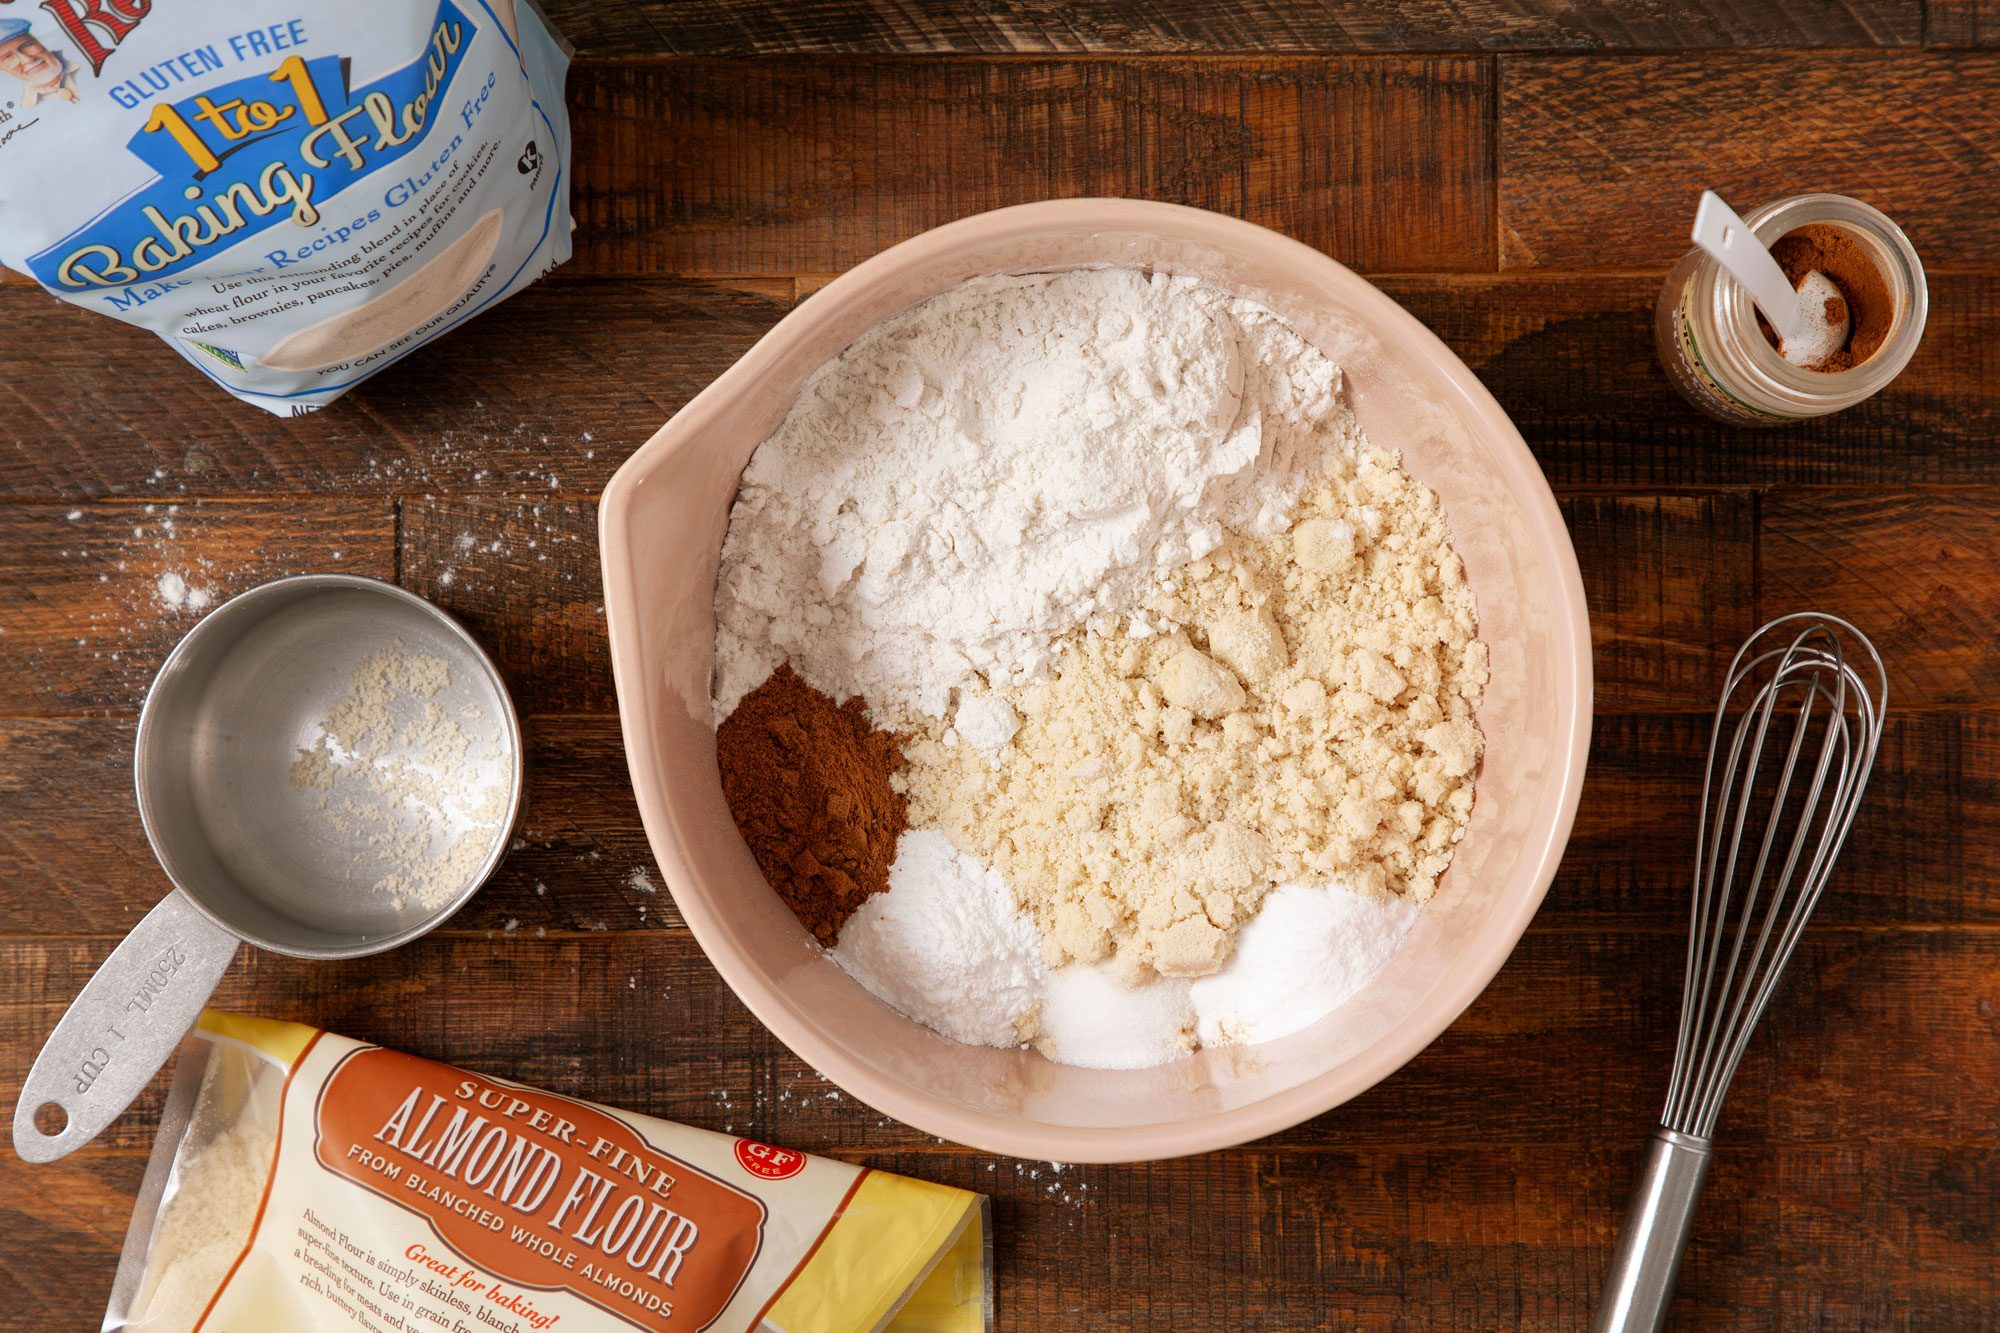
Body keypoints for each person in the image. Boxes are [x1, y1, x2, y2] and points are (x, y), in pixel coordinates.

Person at [0, 19, 78, 107]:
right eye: (8, 57)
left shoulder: (79, 57)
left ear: (38, 42)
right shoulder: (26, 106)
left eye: (26, 45)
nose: (27, 60)